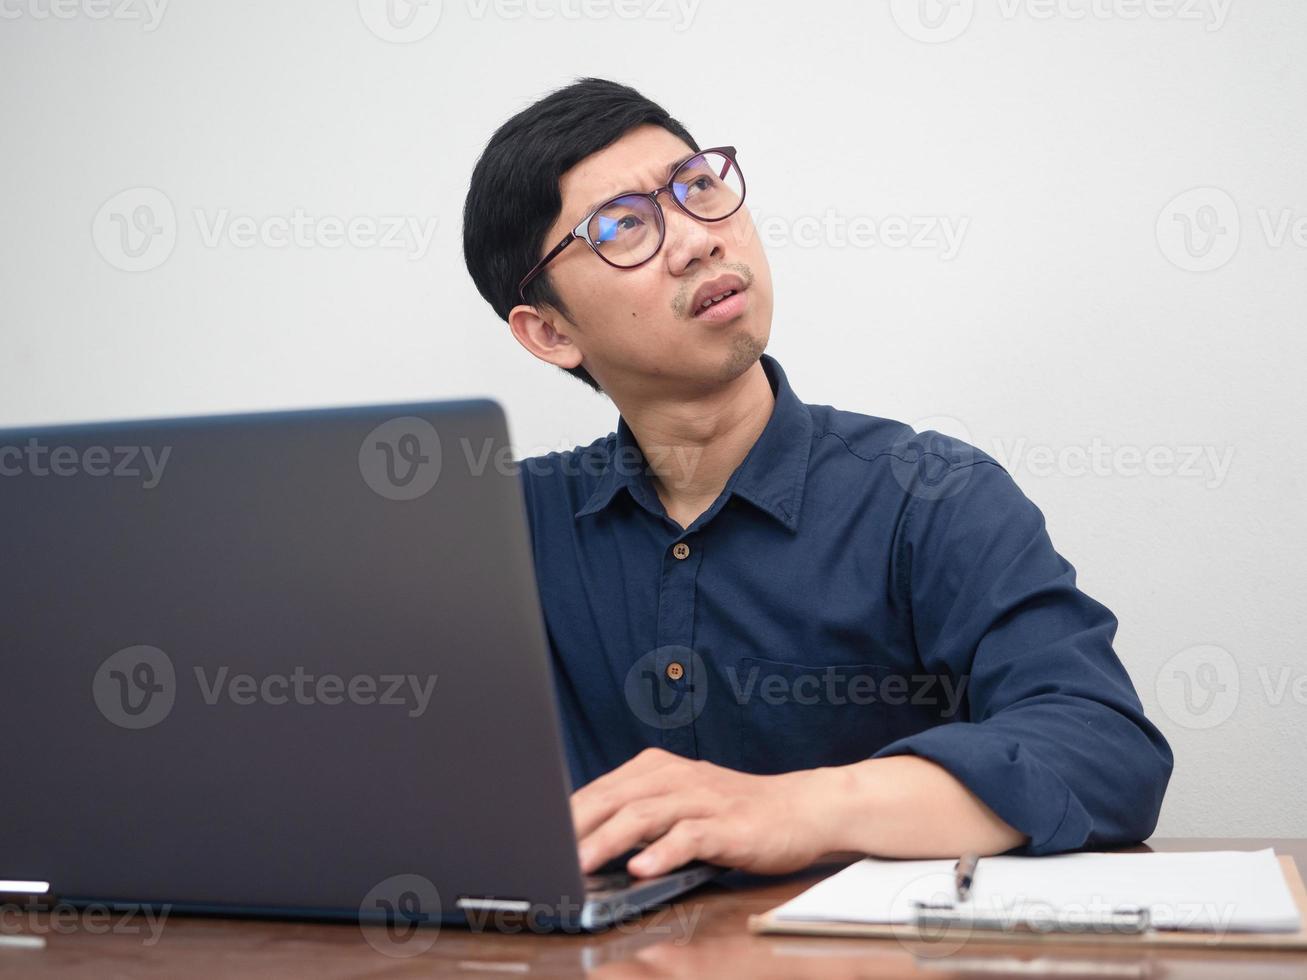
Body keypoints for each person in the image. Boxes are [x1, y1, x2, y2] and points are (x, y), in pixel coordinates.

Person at [461, 77, 1172, 882]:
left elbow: (1103, 750)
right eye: (624, 226)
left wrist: (799, 809)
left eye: (697, 186)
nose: (697, 239)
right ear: (550, 332)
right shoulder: (493, 534)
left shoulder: (930, 496)